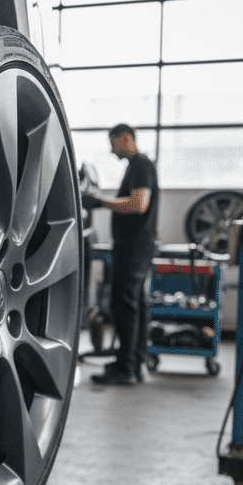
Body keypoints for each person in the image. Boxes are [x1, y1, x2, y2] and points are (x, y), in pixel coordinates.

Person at [83, 124, 159, 385]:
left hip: (134, 246)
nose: (112, 150)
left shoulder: (140, 165)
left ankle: (127, 368)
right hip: (137, 245)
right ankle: (132, 363)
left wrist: (100, 202)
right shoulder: (138, 166)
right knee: (136, 304)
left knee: (123, 304)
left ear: (126, 138)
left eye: (113, 143)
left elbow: (139, 205)